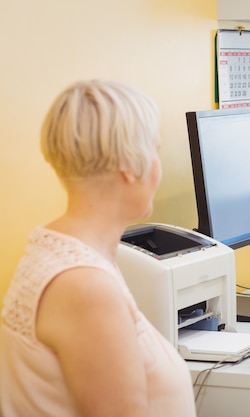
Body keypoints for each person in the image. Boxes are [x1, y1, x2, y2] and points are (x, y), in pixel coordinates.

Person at [0, 80, 196, 416]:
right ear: (128, 164)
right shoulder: (84, 287)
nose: (157, 167)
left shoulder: (68, 253)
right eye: (155, 151)